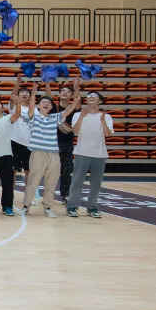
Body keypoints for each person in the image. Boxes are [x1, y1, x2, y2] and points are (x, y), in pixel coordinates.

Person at [66, 91, 114, 219]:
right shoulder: (78, 114)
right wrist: (82, 117)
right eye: (89, 97)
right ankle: (72, 207)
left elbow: (108, 134)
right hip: (81, 153)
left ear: (100, 101)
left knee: (96, 184)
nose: (91, 98)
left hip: (99, 154)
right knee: (77, 182)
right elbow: (75, 132)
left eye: (94, 96)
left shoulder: (106, 116)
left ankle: (92, 207)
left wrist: (103, 121)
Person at [20, 91, 65, 217]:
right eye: (43, 102)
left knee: (51, 182)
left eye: (49, 103)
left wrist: (76, 100)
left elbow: (67, 111)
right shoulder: (33, 116)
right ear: (38, 106)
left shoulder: (54, 117)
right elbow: (31, 108)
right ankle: (26, 206)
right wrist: (33, 94)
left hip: (54, 154)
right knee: (33, 181)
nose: (46, 104)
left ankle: (48, 207)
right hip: (37, 153)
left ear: (51, 107)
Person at [0, 90, 22, 216]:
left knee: (7, 184)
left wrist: (18, 103)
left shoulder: (7, 118)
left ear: (2, 108)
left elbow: (17, 114)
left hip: (6, 156)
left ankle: (7, 207)